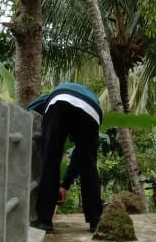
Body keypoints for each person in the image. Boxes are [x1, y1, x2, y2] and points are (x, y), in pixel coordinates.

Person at [29, 82, 103, 233]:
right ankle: (96, 221)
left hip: (59, 102)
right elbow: (79, 158)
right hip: (91, 111)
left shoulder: (47, 97)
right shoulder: (91, 96)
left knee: (50, 160)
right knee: (89, 164)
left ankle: (44, 221)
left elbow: (28, 110)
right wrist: (66, 184)